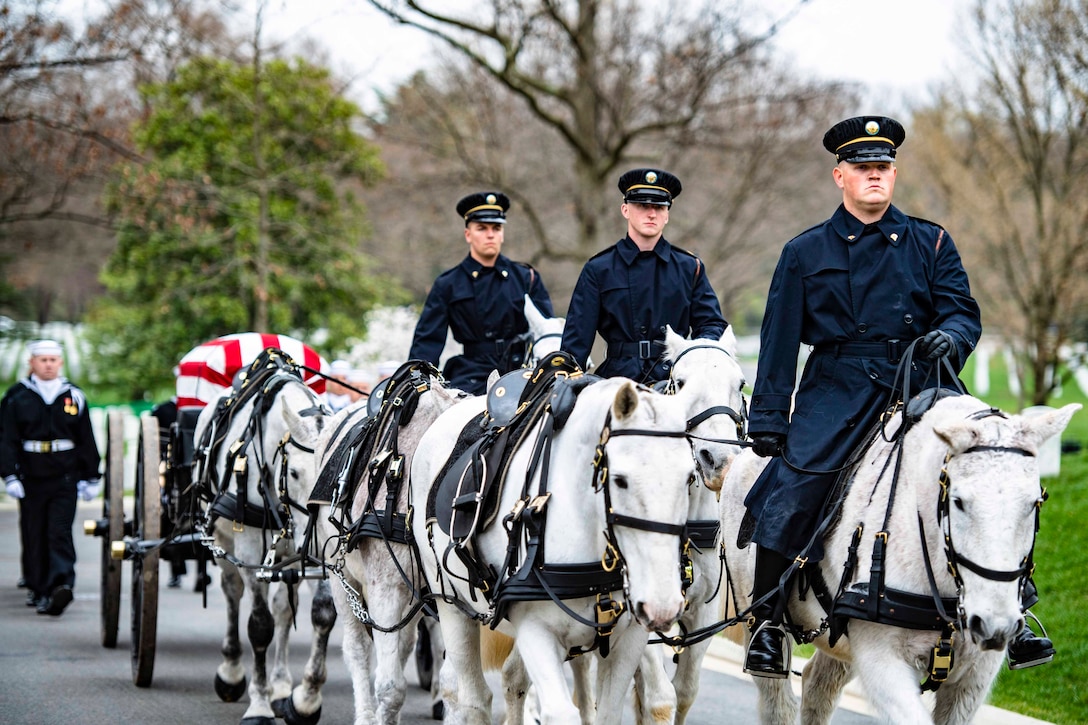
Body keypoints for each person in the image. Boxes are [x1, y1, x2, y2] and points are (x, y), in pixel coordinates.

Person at [741, 115, 1048, 677]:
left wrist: (949, 337)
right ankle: (766, 622)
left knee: (994, 475)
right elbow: (779, 341)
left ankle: (1017, 607)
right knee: (797, 481)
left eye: (882, 167)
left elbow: (962, 312)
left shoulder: (931, 242)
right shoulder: (804, 251)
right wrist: (769, 418)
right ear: (840, 176)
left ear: (894, 173)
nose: (874, 176)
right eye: (863, 168)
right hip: (837, 387)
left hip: (922, 380)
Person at [560, 168, 727, 383]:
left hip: (675, 378)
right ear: (625, 210)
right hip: (616, 382)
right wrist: (566, 387)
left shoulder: (689, 267)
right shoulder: (599, 268)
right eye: (642, 205)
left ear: (667, 214)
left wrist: (695, 361)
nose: (651, 213)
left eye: (659, 207)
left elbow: (711, 325)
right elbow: (576, 343)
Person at [409, 191, 554, 395]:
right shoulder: (449, 284)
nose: (490, 234)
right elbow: (427, 343)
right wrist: (417, 384)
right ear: (468, 234)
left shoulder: (525, 278)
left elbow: (547, 330)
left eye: (496, 228)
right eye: (481, 228)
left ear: (502, 233)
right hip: (470, 375)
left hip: (523, 372)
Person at [1, 339, 101, 616]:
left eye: (53, 360)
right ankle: (38, 586)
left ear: (60, 362)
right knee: (35, 532)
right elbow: (6, 439)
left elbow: (85, 438)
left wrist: (91, 476)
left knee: (59, 530)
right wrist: (10, 475)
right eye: (42, 360)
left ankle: (60, 585)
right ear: (32, 363)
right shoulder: (17, 396)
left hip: (64, 475)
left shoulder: (73, 395)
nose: (48, 365)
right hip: (31, 475)